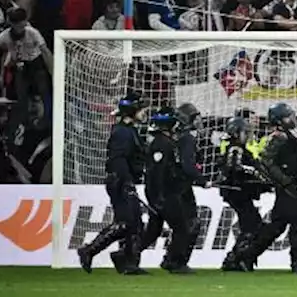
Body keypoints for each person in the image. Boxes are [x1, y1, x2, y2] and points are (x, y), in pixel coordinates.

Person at [230, 102, 297, 272]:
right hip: (286, 184)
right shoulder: (278, 137)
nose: (292, 119)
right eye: (289, 116)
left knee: (277, 226)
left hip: (290, 183)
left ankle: (245, 256)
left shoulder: (291, 135)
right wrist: (283, 179)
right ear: (280, 120)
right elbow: (266, 161)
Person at [77, 92, 149, 275]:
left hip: (123, 180)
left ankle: (126, 261)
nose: (144, 113)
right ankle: (90, 250)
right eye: (141, 109)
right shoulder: (123, 133)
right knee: (126, 223)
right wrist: (126, 183)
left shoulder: (128, 130)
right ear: (132, 111)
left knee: (134, 223)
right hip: (120, 181)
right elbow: (118, 159)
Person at [140, 102, 205, 272]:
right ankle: (176, 260)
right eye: (195, 117)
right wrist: (202, 180)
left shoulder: (175, 139)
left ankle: (128, 254)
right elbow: (186, 165)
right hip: (176, 189)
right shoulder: (184, 139)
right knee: (185, 226)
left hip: (171, 188)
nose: (198, 121)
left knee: (155, 229)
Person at [218, 116, 268, 271]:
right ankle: (236, 258)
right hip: (237, 192)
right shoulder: (235, 149)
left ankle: (237, 257)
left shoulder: (237, 148)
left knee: (252, 224)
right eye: (245, 133)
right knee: (251, 225)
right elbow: (235, 167)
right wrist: (256, 173)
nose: (248, 136)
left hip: (241, 192)